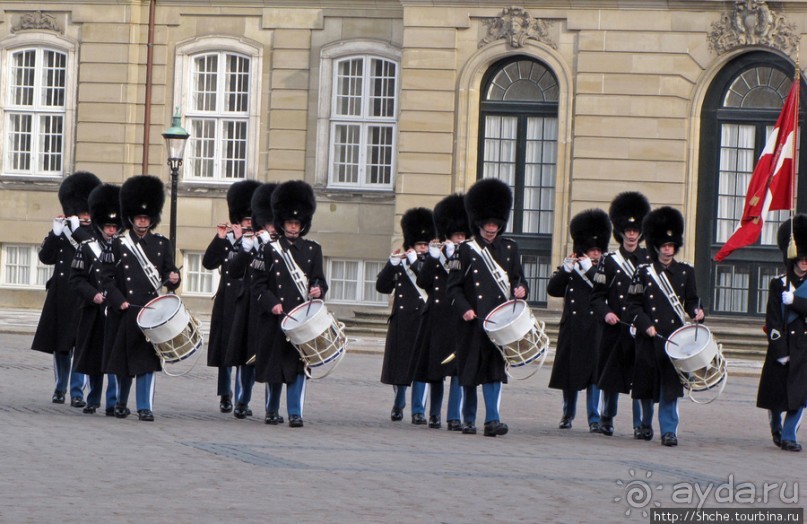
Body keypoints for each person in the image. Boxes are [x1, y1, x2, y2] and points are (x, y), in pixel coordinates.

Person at [447, 178, 528, 437]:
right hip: (472, 320)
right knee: (470, 372)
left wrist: (521, 289)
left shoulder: (510, 248)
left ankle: (493, 419)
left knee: (494, 372)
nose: (491, 228)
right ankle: (468, 419)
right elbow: (453, 287)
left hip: (499, 321)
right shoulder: (465, 251)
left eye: (495, 224)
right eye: (487, 224)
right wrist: (465, 309)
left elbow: (518, 277)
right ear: (479, 222)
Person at [102, 175, 181, 422]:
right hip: (125, 310)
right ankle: (121, 403)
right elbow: (105, 278)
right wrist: (118, 300)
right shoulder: (118, 244)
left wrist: (174, 279)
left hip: (151, 312)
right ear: (132, 218)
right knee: (125, 363)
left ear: (152, 219)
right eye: (138, 217)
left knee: (147, 363)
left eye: (146, 217)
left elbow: (169, 276)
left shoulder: (161, 244)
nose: (142, 220)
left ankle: (145, 406)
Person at [627, 206, 704, 447]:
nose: (667, 249)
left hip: (674, 340)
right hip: (650, 337)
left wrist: (698, 312)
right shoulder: (643, 272)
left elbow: (692, 300)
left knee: (670, 389)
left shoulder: (685, 271)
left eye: (671, 245)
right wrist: (646, 325)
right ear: (657, 246)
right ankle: (645, 424)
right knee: (647, 388)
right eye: (664, 245)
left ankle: (669, 431)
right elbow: (632, 306)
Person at [253, 180, 327, 428]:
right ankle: (272, 410)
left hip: (301, 318)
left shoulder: (313, 249)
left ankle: (295, 412)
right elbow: (258, 286)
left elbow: (320, 281)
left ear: (303, 224)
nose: (293, 227)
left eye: (297, 223)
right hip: (277, 318)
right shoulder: (268, 250)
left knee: (298, 368)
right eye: (289, 223)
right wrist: (272, 303)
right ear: (282, 223)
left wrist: (318, 289)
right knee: (275, 369)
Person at [32, 171, 101, 407]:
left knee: (80, 346)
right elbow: (46, 257)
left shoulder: (96, 234)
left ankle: (77, 392)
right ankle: (60, 387)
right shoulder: (63, 233)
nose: (83, 215)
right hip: (61, 296)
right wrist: (55, 233)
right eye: (80, 211)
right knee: (61, 348)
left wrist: (78, 230)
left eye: (86, 211)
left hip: (84, 296)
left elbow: (98, 257)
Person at [591, 192, 651, 437]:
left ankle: (639, 424)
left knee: (639, 378)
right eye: (627, 230)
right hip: (615, 327)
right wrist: (606, 314)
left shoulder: (648, 260)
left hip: (639, 327)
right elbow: (597, 296)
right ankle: (607, 417)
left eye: (635, 230)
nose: (632, 234)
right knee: (612, 379)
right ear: (621, 231)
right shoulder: (609, 261)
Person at [548, 209, 610, 433]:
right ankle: (568, 413)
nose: (594, 254)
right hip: (573, 328)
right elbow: (553, 290)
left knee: (595, 376)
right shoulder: (573, 268)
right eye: (591, 250)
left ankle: (594, 417)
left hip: (595, 328)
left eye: (597, 251)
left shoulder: (605, 270)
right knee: (570, 376)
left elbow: (607, 289)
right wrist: (565, 270)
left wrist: (590, 269)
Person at [203, 179, 261, 415]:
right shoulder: (226, 239)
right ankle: (225, 394)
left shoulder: (260, 242)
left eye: (250, 220)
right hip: (227, 301)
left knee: (246, 353)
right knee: (226, 352)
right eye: (245, 220)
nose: (247, 224)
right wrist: (223, 239)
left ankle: (242, 399)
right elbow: (208, 262)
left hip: (247, 302)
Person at [413, 194, 470, 431]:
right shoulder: (436, 257)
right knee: (435, 371)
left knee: (457, 372)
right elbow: (423, 282)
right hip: (436, 318)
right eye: (457, 235)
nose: (460, 239)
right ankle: (434, 413)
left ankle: (454, 415)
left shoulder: (468, 255)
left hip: (458, 318)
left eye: (463, 236)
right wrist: (433, 259)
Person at [69, 183, 121, 415]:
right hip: (94, 309)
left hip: (117, 310)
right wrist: (93, 295)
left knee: (115, 359)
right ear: (100, 226)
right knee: (93, 358)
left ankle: (113, 402)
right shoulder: (86, 247)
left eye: (114, 226)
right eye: (108, 226)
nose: (111, 230)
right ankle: (93, 398)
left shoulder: (126, 248)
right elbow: (77, 279)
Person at [378, 208, 433, 425]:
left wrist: (415, 263)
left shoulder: (432, 264)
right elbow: (382, 286)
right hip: (402, 322)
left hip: (424, 320)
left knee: (421, 370)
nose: (422, 248)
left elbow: (427, 283)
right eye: (419, 244)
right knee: (400, 368)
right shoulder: (400, 263)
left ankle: (419, 409)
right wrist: (392, 264)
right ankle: (398, 403)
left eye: (425, 245)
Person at [757, 215, 807, 452]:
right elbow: (773, 320)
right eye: (801, 257)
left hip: (804, 347)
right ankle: (776, 426)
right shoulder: (779, 284)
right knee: (776, 396)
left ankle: (789, 436)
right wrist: (779, 350)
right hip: (782, 346)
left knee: (799, 397)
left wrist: (795, 301)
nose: (804, 262)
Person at [240, 182, 281, 423]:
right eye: (269, 223)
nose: (273, 228)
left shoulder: (281, 246)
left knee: (272, 359)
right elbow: (235, 271)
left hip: (272, 307)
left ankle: (271, 407)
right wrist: (248, 248)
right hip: (251, 308)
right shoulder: (251, 243)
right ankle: (243, 400)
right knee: (249, 359)